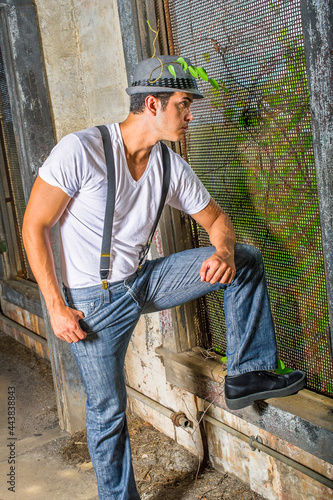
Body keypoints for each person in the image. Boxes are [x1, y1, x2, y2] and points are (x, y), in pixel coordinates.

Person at [22, 55, 306, 499]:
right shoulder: (82, 150)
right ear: (152, 105)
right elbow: (33, 226)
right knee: (108, 411)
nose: (191, 115)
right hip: (92, 302)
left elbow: (218, 221)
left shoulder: (170, 166)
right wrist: (55, 305)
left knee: (246, 259)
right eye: (184, 103)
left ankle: (247, 373)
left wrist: (225, 251)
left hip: (144, 280)